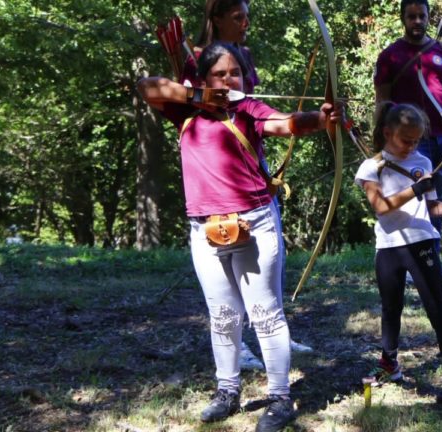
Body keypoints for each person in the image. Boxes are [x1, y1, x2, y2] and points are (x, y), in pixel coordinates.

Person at [137, 42, 342, 429]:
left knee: (265, 313)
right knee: (223, 315)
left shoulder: (248, 109)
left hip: (255, 222)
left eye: (235, 74)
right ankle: (227, 391)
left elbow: (286, 123)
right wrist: (197, 96)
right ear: (204, 78)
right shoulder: (186, 110)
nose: (229, 80)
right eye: (220, 74)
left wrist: (321, 119)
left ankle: (280, 398)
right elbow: (147, 86)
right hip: (205, 228)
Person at [188, 0, 314, 370]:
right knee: (223, 289)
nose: (246, 23)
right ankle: (238, 348)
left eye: (247, 16)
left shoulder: (245, 57)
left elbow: (268, 117)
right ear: (217, 19)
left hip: (248, 167)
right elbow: (160, 94)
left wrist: (316, 120)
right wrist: (200, 96)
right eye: (238, 16)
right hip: (213, 179)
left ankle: (275, 335)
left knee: (264, 267)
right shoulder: (197, 59)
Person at [354, 102, 442, 405]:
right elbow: (381, 206)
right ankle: (389, 364)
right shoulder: (372, 167)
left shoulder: (422, 161)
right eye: (405, 140)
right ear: (387, 132)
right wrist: (415, 189)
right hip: (389, 246)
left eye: (416, 140)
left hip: (421, 241)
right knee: (390, 307)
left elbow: (433, 207)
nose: (411, 146)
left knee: (436, 307)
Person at [374, 0, 442, 276]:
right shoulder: (390, 56)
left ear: (429, 18)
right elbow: (382, 101)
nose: (417, 21)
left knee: (435, 198)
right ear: (403, 19)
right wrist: (382, 141)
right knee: (410, 201)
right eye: (412, 16)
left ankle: (432, 263)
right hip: (409, 142)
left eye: (422, 16)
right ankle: (406, 264)